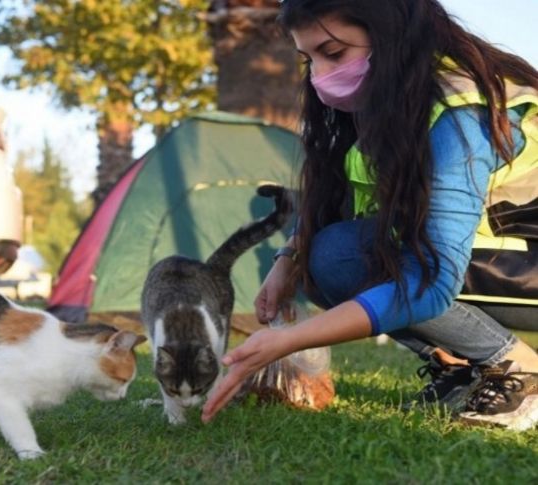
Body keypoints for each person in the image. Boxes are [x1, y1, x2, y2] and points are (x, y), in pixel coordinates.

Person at [201, 0, 538, 431]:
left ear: (390, 33)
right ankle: (459, 365)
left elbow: (432, 281)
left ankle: (513, 366)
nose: (321, 76)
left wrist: (289, 340)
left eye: (335, 53)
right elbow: (339, 199)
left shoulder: (460, 112)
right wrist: (287, 259)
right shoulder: (396, 98)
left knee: (345, 256)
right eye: (309, 60)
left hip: (524, 263)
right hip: (496, 259)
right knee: (325, 257)